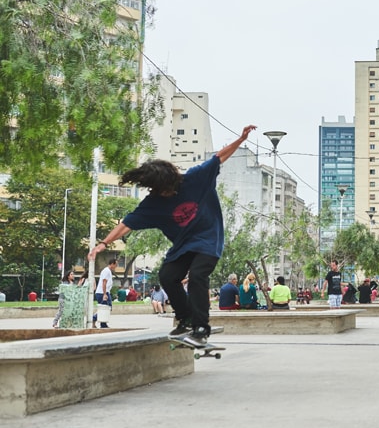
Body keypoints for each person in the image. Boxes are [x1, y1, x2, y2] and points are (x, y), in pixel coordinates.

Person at [88, 125, 257, 347]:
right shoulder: (153, 204)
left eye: (169, 189)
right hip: (184, 246)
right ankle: (185, 318)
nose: (167, 194)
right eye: (161, 192)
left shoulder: (195, 178)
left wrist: (241, 138)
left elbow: (219, 157)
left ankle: (200, 328)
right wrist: (103, 243)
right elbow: (127, 224)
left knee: (197, 276)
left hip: (209, 240)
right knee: (167, 275)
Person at [93, 257, 116, 328]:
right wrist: (105, 294)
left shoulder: (108, 271)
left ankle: (103, 323)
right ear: (112, 264)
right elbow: (104, 282)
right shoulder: (106, 271)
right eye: (115, 265)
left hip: (104, 292)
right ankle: (94, 319)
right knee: (104, 307)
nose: (116, 267)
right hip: (102, 293)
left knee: (107, 307)